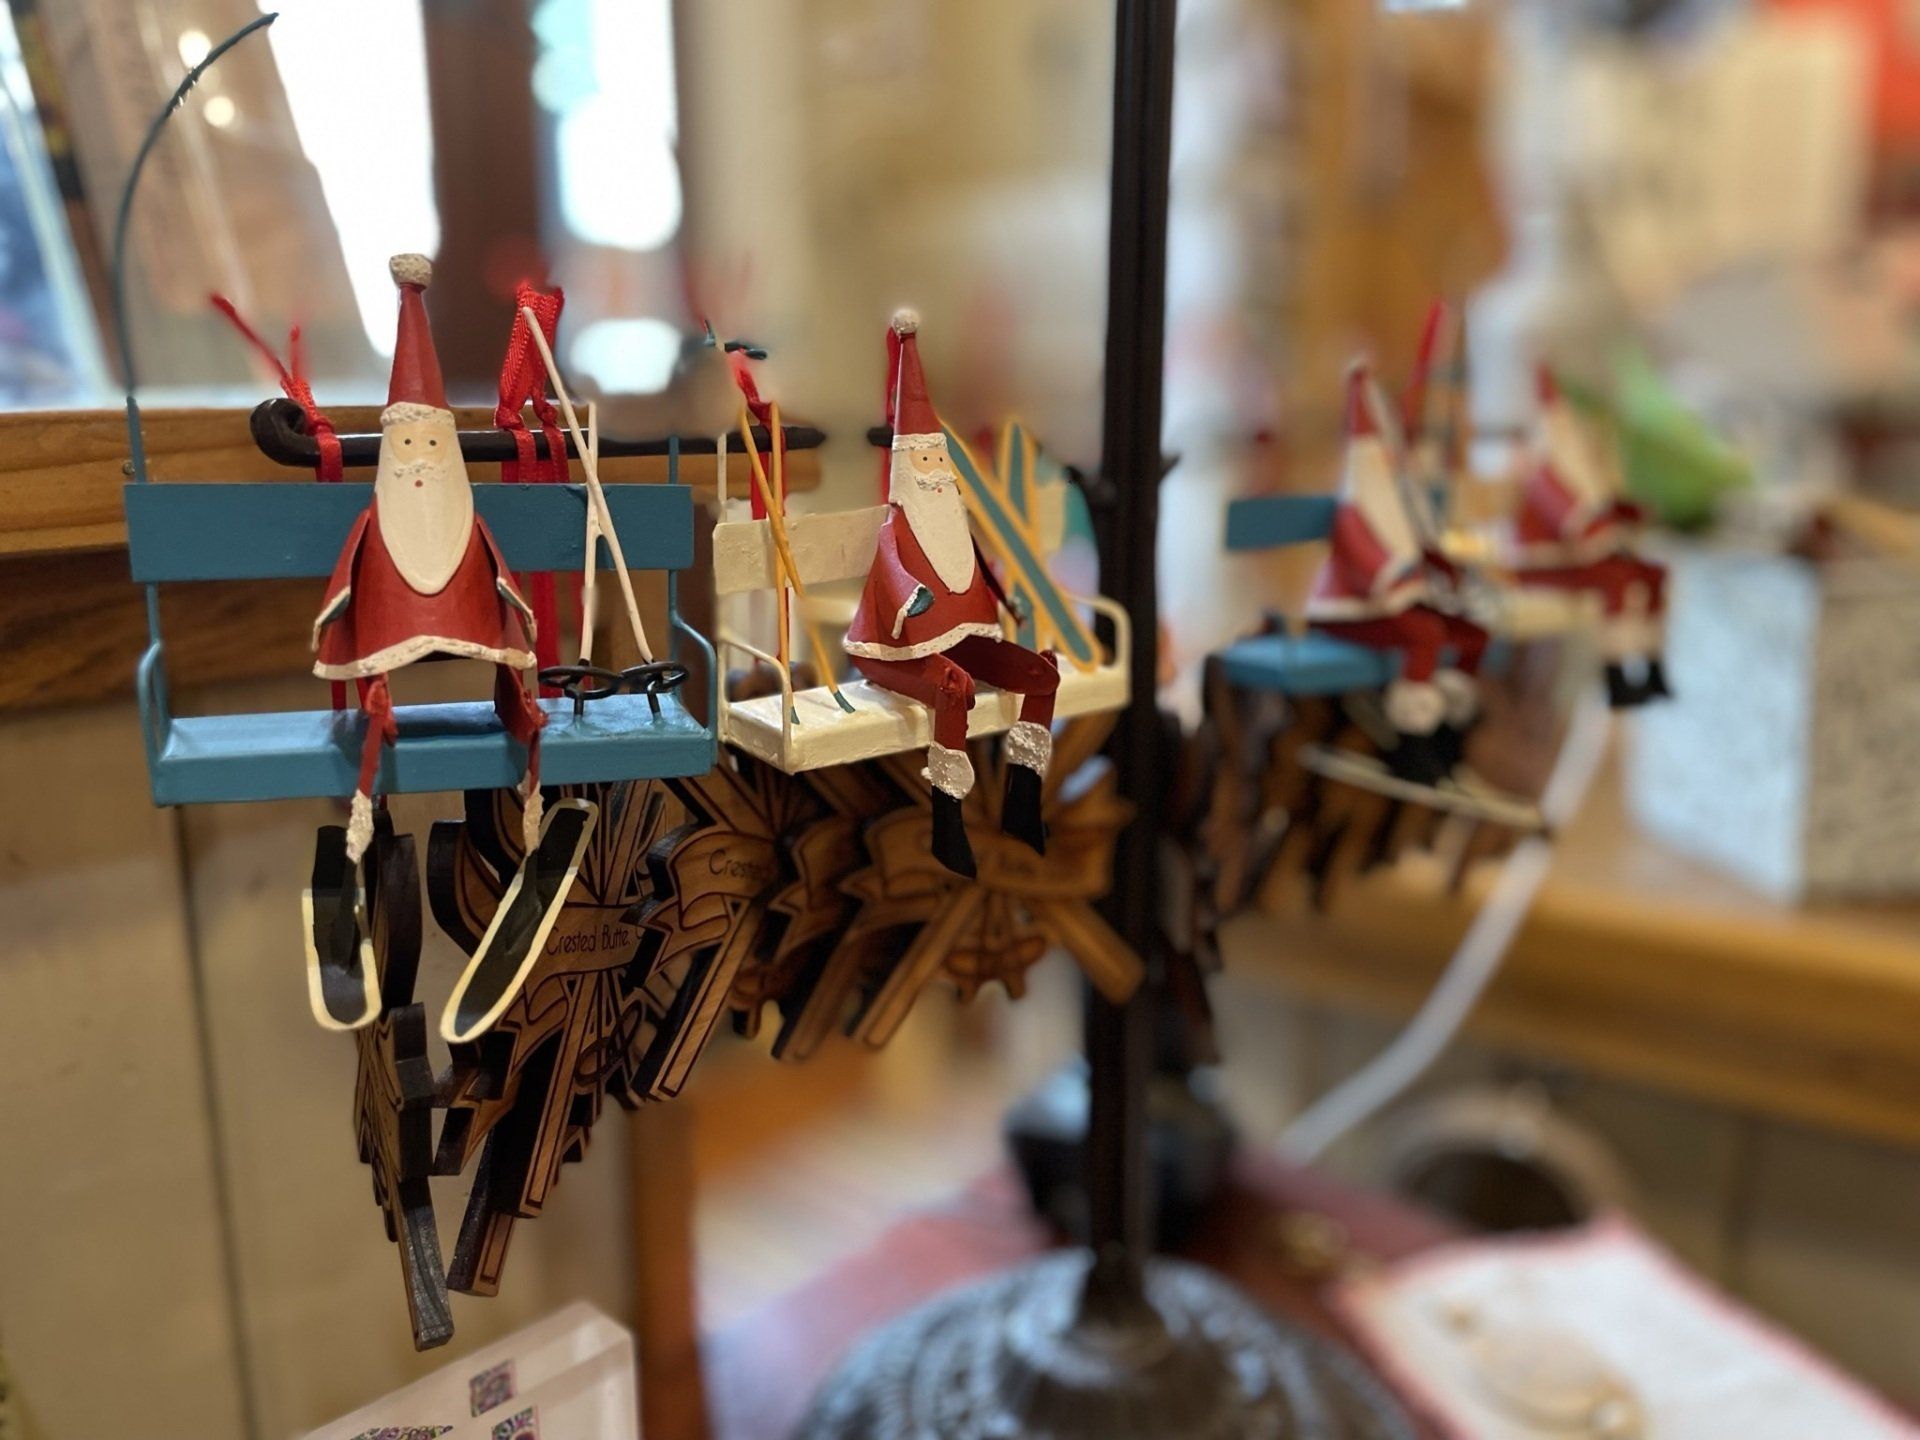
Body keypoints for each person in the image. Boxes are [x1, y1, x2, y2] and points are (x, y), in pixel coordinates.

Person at [843, 310, 1058, 878]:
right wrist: (911, 597)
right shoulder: (895, 531)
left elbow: (981, 571)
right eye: (926, 462)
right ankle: (948, 825)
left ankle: (1022, 803)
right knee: (954, 687)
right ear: (908, 471)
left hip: (957, 637)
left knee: (1041, 673)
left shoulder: (953, 524)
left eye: (941, 461)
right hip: (888, 651)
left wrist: (1008, 602)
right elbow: (896, 577)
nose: (937, 471)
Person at [1511, 367, 1670, 707]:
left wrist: (1629, 515)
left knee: (1653, 575)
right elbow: (1575, 521)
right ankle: (1616, 675)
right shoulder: (1542, 472)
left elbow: (1599, 507)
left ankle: (1652, 667)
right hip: (1546, 562)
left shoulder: (1578, 466)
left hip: (1585, 555)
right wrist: (1608, 531)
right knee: (1617, 581)